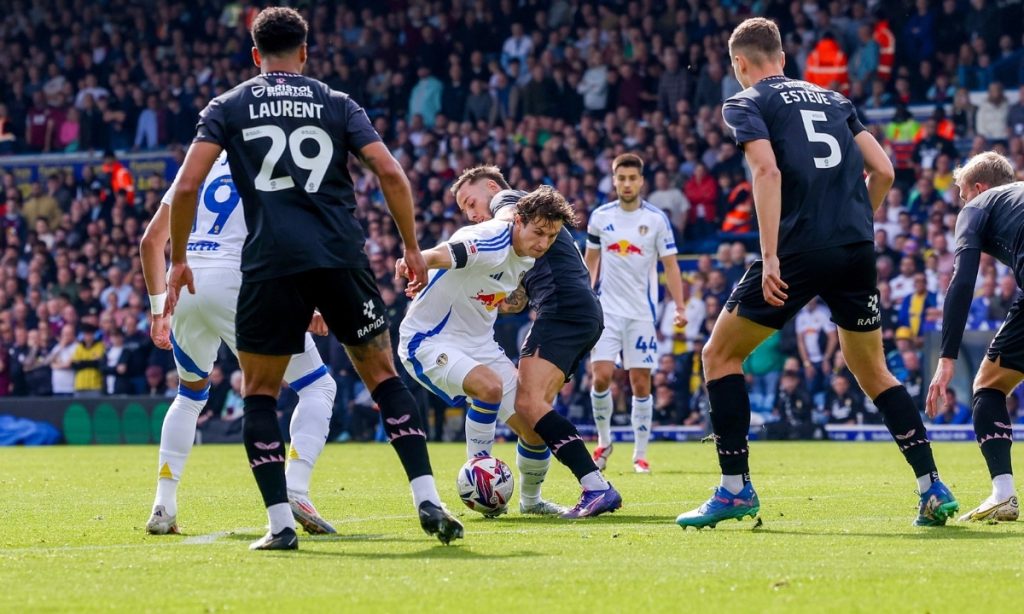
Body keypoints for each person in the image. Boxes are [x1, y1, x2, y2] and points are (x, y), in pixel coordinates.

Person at [165, 7, 459, 550]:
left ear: (255, 56)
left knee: (259, 392)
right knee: (382, 375)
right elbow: (391, 172)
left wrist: (179, 257)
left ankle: (279, 525)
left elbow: (185, 189)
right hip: (341, 258)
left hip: (270, 264)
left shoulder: (227, 105)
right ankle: (427, 497)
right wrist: (412, 247)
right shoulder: (337, 103)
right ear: (305, 52)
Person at [676, 18, 958, 530]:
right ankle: (931, 485)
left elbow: (767, 171)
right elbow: (886, 170)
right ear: (783, 58)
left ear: (740, 64)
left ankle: (735, 489)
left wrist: (771, 257)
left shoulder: (746, 102)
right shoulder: (833, 99)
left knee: (719, 355)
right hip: (855, 247)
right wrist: (855, 224)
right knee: (873, 371)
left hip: (797, 248)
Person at [141, 151, 338, 537]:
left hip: (186, 285)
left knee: (189, 395)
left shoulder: (197, 165)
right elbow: (289, 240)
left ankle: (163, 504)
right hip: (239, 280)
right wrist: (310, 301)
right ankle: (295, 485)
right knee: (317, 385)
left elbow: (151, 241)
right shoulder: (271, 164)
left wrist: (157, 311)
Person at [449, 166, 621, 518]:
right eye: (466, 212)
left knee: (527, 403)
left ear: (492, 187)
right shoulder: (521, 244)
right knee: (536, 414)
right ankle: (533, 501)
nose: (472, 215)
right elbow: (517, 301)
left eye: (471, 202)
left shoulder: (511, 205)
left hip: (561, 310)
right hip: (578, 312)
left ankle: (596, 486)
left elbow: (503, 217)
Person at [397, 186, 578, 517]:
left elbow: (494, 293)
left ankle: (532, 501)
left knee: (535, 428)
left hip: (479, 344)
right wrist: (418, 261)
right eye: (538, 233)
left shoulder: (525, 253)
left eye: (551, 238)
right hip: (429, 339)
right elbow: (449, 252)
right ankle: (479, 480)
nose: (543, 243)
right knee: (489, 386)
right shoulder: (493, 237)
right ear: (519, 221)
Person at [926, 151, 1020, 522]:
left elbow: (963, 281)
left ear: (978, 187)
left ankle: (1003, 494)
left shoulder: (978, 206)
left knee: (989, 386)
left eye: (962, 193)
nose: (962, 201)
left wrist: (946, 358)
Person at [584, 153, 686, 474]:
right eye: (621, 178)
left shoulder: (656, 219)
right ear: (614, 180)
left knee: (640, 382)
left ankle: (640, 453)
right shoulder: (600, 217)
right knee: (600, 377)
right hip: (607, 312)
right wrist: (584, 299)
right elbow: (591, 263)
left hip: (642, 314)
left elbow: (670, 265)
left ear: (641, 181)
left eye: (632, 178)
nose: (627, 183)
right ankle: (603, 442)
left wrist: (680, 306)